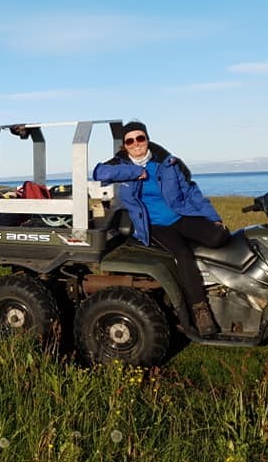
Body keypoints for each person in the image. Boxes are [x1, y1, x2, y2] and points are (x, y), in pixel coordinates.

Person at [93, 121, 228, 337]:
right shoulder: (120, 164)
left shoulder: (168, 162)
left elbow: (191, 192)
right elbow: (99, 172)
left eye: (140, 138)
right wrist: (133, 172)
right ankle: (200, 310)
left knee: (218, 237)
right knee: (182, 253)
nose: (136, 144)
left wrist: (213, 218)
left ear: (147, 139)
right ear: (125, 145)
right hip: (153, 225)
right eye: (130, 140)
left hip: (181, 216)